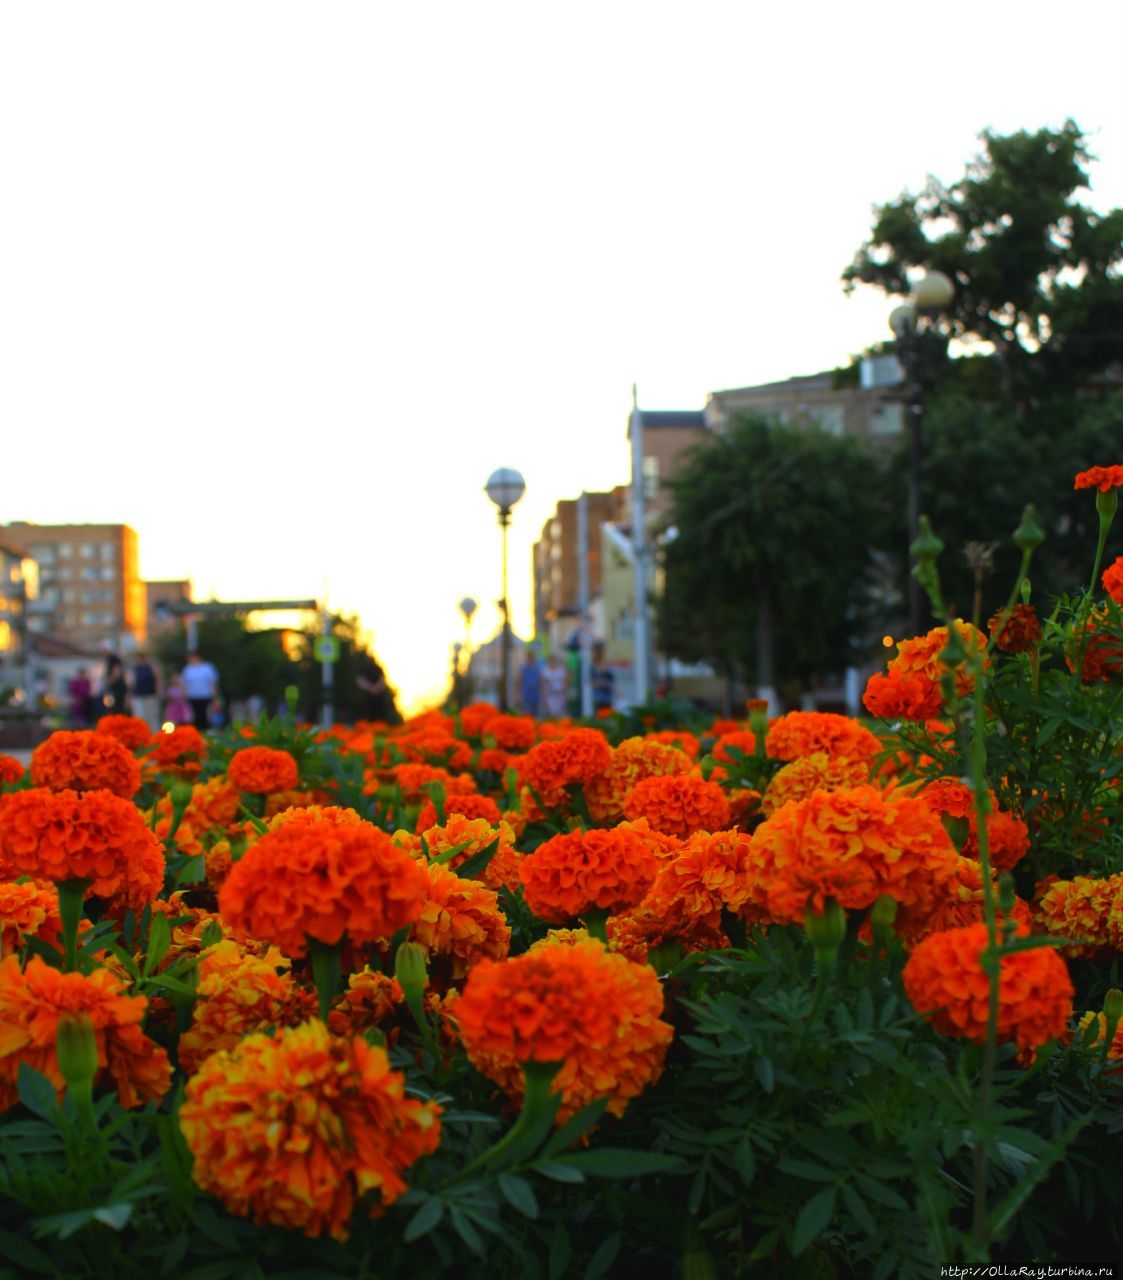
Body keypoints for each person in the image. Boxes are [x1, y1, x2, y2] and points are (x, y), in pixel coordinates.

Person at [181, 652, 220, 731]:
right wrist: (184, 695)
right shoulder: (188, 669)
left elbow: (212, 683)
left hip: (205, 696)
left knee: (204, 714)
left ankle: (206, 730)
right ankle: (197, 731)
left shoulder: (207, 668)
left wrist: (214, 695)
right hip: (192, 696)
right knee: (194, 715)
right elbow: (184, 684)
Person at [131, 653, 161, 731]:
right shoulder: (135, 669)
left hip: (150, 695)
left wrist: (158, 691)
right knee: (139, 716)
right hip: (138, 695)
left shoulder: (151, 668)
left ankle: (153, 734)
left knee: (151, 716)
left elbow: (157, 679)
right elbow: (132, 683)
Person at [539, 651, 568, 720]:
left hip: (559, 694)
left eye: (553, 661)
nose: (552, 662)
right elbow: (542, 682)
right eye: (551, 661)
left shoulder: (561, 670)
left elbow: (566, 681)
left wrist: (565, 689)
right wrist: (544, 694)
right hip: (549, 695)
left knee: (559, 713)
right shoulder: (545, 670)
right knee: (550, 713)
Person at [590, 644, 615, 714]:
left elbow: (612, 680)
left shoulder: (606, 665)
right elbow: (590, 682)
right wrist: (600, 682)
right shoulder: (592, 667)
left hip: (607, 697)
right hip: (598, 697)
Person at [518, 647, 542, 717]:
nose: (530, 660)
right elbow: (520, 680)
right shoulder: (524, 668)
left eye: (531, 658)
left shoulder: (537, 668)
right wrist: (518, 693)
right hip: (526, 694)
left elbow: (540, 681)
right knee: (527, 713)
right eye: (529, 658)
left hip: (535, 694)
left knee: (535, 713)